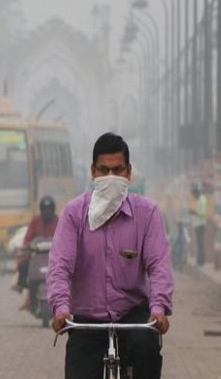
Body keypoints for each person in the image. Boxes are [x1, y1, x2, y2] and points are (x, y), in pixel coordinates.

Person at [48, 132, 172, 379]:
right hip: (87, 320)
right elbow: (60, 266)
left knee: (148, 351)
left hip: (132, 315)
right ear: (93, 172)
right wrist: (61, 307)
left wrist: (159, 308)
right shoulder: (74, 214)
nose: (111, 177)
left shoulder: (147, 213)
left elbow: (159, 265)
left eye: (118, 170)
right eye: (104, 170)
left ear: (128, 173)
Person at [14, 195, 59, 309]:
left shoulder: (58, 221)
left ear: (53, 209)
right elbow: (28, 237)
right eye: (44, 209)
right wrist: (26, 246)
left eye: (49, 209)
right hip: (36, 255)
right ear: (41, 210)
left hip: (54, 256)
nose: (47, 212)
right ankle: (23, 285)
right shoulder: (35, 221)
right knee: (24, 265)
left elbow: (64, 237)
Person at [189, 184, 207, 267]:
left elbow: (202, 213)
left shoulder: (202, 200)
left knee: (200, 243)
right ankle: (199, 261)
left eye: (194, 194)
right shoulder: (199, 199)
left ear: (196, 193)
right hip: (198, 224)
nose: (193, 196)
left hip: (201, 225)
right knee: (199, 243)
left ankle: (201, 261)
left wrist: (194, 212)